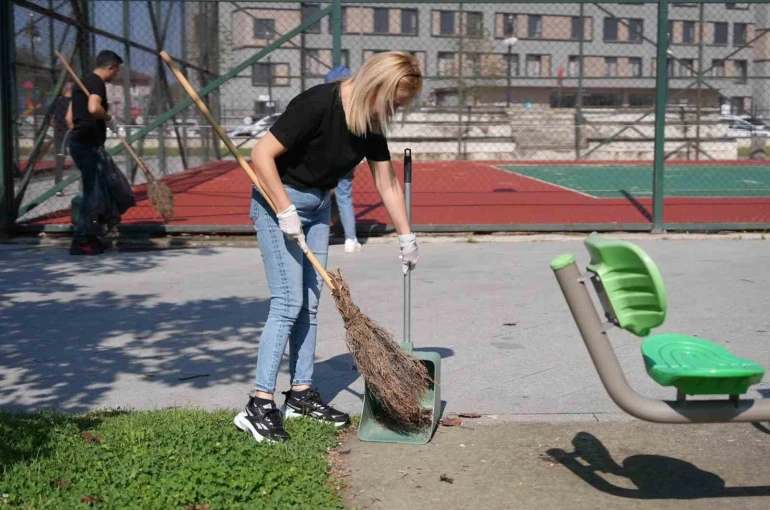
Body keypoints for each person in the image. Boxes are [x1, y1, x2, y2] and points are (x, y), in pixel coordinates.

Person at [234, 51, 422, 443]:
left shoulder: (369, 122)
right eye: (393, 102)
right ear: (378, 87)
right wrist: (284, 210)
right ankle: (258, 404)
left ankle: (300, 395)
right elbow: (261, 155)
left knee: (310, 303)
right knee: (287, 302)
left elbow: (386, 183)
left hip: (319, 206)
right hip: (277, 201)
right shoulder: (317, 103)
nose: (391, 111)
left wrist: (406, 235)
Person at [66, 50, 123, 256]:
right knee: (92, 194)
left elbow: (69, 119)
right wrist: (108, 118)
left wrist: (81, 130)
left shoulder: (81, 83)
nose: (115, 75)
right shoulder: (97, 83)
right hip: (88, 144)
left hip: (79, 142)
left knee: (94, 191)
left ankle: (90, 235)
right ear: (111, 68)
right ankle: (82, 240)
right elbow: (93, 108)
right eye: (116, 71)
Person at [324, 65, 362, 253]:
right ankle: (350, 239)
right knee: (344, 197)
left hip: (323, 159)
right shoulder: (356, 108)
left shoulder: (322, 105)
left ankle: (319, 236)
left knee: (319, 196)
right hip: (345, 160)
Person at [50, 82, 73, 195]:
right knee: (79, 159)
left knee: (59, 161)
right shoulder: (75, 102)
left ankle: (58, 187)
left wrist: (58, 125)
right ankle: (83, 186)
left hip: (59, 133)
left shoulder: (57, 101)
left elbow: (51, 120)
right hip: (72, 133)